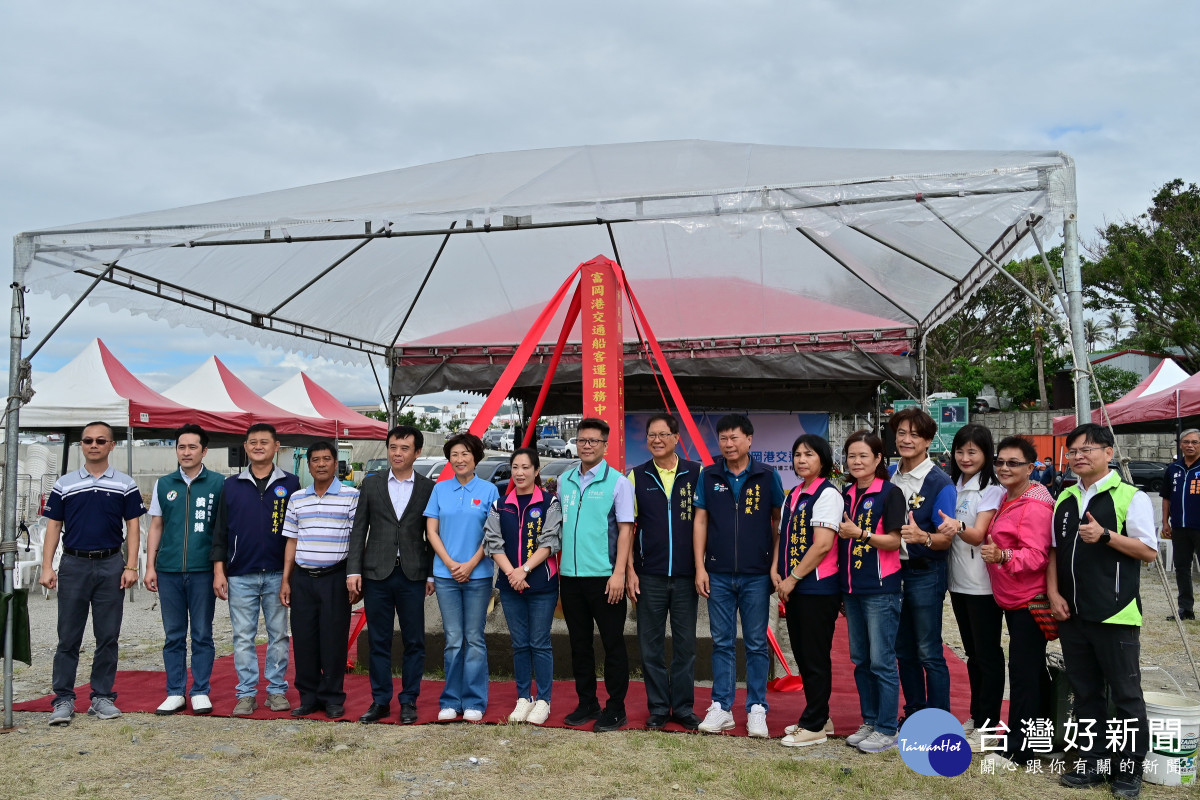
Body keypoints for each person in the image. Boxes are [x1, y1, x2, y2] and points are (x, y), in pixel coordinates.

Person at [1048, 423, 1158, 799]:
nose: (1080, 456)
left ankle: (1129, 770)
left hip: (1116, 613)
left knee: (1126, 694)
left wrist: (1107, 536)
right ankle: (1092, 762)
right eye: (1074, 450)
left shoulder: (1130, 496)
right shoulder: (1064, 499)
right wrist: (1052, 593)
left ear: (1109, 453)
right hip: (1073, 614)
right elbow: (1053, 552)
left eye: (1088, 449)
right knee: (1086, 692)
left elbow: (1148, 552)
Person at [40, 421, 146, 726]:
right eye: (88, 441)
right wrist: (48, 565)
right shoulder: (65, 483)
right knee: (68, 636)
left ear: (112, 445)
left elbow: (134, 527)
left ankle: (101, 696)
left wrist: (131, 565)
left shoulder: (125, 484)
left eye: (101, 440)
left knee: (108, 635)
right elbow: (54, 527)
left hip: (111, 563)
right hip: (74, 565)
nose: (94, 445)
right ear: (82, 446)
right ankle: (63, 699)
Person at [694, 414, 785, 738]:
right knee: (722, 642)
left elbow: (779, 525)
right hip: (717, 573)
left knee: (757, 643)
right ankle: (721, 706)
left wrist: (774, 566)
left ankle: (757, 708)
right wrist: (700, 567)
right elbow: (700, 522)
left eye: (734, 438)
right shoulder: (709, 475)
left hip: (756, 575)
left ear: (749, 439)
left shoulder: (767, 475)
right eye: (723, 439)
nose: (728, 444)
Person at [210, 423, 301, 717]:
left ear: (277, 446)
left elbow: (297, 533)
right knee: (243, 636)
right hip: (241, 574)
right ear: (245, 447)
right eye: (252, 442)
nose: (258, 446)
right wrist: (219, 571)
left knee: (278, 634)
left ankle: (276, 691)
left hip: (278, 574)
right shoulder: (231, 485)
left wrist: (291, 575)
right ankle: (246, 693)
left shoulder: (291, 483)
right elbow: (220, 532)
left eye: (264, 442)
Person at [347, 425, 436, 725]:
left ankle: (409, 700)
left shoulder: (427, 488)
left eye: (404, 448)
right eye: (393, 447)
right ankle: (380, 700)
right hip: (376, 574)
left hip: (413, 574)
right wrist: (354, 571)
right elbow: (359, 530)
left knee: (414, 641)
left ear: (417, 452)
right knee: (379, 641)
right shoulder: (371, 485)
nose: (397, 453)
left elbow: (434, 534)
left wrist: (432, 575)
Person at [979, 435, 1055, 767]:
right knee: (1032, 672)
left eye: (1014, 463)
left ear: (1031, 467)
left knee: (1023, 674)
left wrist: (1003, 555)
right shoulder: (1011, 497)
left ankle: (1018, 750)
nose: (1005, 468)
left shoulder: (1035, 504)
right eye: (1000, 462)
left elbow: (1037, 556)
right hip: (1012, 598)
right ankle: (1040, 737)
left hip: (1030, 600)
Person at [558, 417, 636, 732]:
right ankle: (586, 702)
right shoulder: (564, 480)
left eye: (593, 441)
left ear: (605, 445)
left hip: (605, 579)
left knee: (613, 644)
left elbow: (626, 531)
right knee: (579, 644)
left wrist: (619, 574)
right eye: (582, 440)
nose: (586, 445)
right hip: (571, 578)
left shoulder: (618, 482)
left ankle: (616, 708)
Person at [627, 413, 703, 731]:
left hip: (686, 576)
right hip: (649, 575)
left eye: (663, 434)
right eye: (651, 435)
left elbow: (703, 522)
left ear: (676, 437)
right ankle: (658, 707)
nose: (656, 440)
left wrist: (701, 568)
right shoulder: (636, 476)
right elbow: (628, 528)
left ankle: (683, 707)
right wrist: (630, 570)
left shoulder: (696, 473)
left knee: (686, 645)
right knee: (651, 646)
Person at [144, 424, 224, 716]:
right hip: (168, 570)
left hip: (203, 570)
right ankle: (175, 692)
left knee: (203, 633)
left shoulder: (218, 483)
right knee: (174, 634)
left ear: (204, 451)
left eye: (192, 447)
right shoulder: (164, 484)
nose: (186, 452)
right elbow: (156, 525)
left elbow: (221, 531)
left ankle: (201, 690)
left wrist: (219, 571)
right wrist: (150, 565)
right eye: (181, 447)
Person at [837, 429, 906, 754]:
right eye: (852, 456)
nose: (857, 461)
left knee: (882, 660)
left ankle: (887, 726)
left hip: (881, 589)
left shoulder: (890, 493)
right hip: (852, 589)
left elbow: (894, 541)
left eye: (864, 455)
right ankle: (870, 719)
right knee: (860, 659)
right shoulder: (845, 494)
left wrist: (860, 533)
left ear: (879, 458)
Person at [772, 433, 843, 747]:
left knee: (814, 656)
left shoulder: (828, 494)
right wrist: (776, 570)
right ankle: (819, 716)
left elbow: (823, 545)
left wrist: (792, 579)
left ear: (823, 460)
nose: (802, 459)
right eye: (797, 454)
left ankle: (813, 725)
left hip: (817, 588)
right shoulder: (795, 493)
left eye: (809, 454)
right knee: (802, 652)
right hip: (794, 585)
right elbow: (782, 536)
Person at [280, 441, 359, 719]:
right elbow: (291, 540)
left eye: (327, 459)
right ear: (308, 464)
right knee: (304, 639)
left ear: (336, 463)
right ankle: (309, 696)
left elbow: (356, 541)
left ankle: (333, 697)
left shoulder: (351, 496)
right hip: (302, 579)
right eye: (315, 460)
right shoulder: (297, 498)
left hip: (335, 578)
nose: (321, 464)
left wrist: (354, 576)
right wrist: (286, 579)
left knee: (334, 639)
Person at [483, 447, 561, 725]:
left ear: (537, 471)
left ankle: (543, 700)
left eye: (526, 467)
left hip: (542, 584)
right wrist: (512, 574)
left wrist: (525, 570)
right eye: (515, 467)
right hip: (509, 584)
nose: (520, 472)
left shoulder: (550, 502)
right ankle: (522, 698)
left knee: (539, 642)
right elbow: (493, 543)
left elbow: (551, 541)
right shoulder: (499, 504)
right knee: (519, 644)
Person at [425, 432, 499, 722]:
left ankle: (475, 701)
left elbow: (492, 533)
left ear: (475, 457)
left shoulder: (490, 490)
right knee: (453, 639)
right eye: (454, 454)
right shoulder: (440, 489)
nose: (459, 459)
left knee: (474, 638)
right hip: (445, 576)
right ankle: (450, 700)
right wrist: (450, 563)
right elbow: (431, 531)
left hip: (478, 575)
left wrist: (469, 564)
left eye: (465, 454)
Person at [887, 407, 956, 718]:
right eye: (901, 433)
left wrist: (923, 538)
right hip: (891, 573)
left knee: (928, 651)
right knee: (903, 650)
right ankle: (914, 712)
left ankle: (938, 718)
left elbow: (946, 539)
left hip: (926, 573)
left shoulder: (940, 483)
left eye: (915, 434)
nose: (906, 439)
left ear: (928, 440)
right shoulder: (889, 475)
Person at [936, 423, 1004, 734]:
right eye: (960, 451)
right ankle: (978, 717)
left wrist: (957, 527)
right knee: (972, 655)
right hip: (958, 581)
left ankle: (989, 723)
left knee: (987, 654)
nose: (965, 457)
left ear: (986, 454)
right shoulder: (952, 483)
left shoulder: (992, 489)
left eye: (972, 452)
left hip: (983, 584)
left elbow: (978, 535)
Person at [1162, 428, 1200, 620]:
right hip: (1179, 527)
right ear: (1181, 445)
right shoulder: (1173, 469)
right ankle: (1186, 609)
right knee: (1182, 568)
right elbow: (1166, 498)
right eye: (1186, 442)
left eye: (1194, 442)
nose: (1190, 445)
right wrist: (1165, 522)